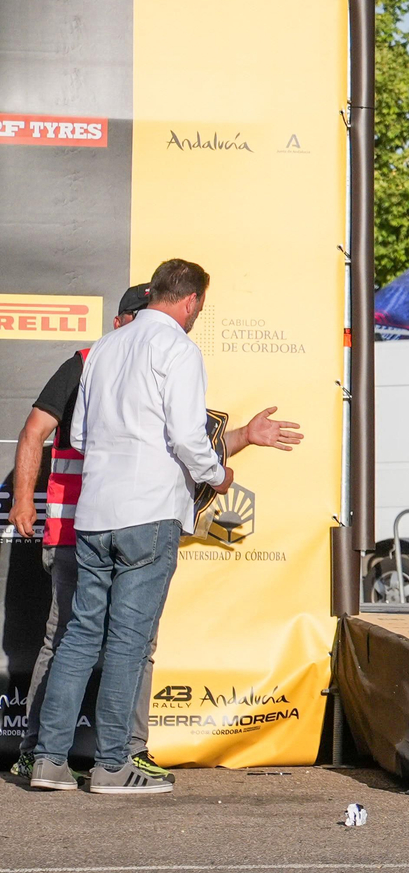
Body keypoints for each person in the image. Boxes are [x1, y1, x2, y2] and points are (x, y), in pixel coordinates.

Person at [7, 284, 301, 783]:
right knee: (95, 640)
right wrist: (21, 498)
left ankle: (77, 755)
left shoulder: (110, 356)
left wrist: (244, 438)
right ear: (125, 319)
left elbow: (175, 438)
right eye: (138, 316)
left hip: (95, 517)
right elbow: (42, 430)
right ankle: (75, 756)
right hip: (87, 523)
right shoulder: (98, 356)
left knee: (109, 641)